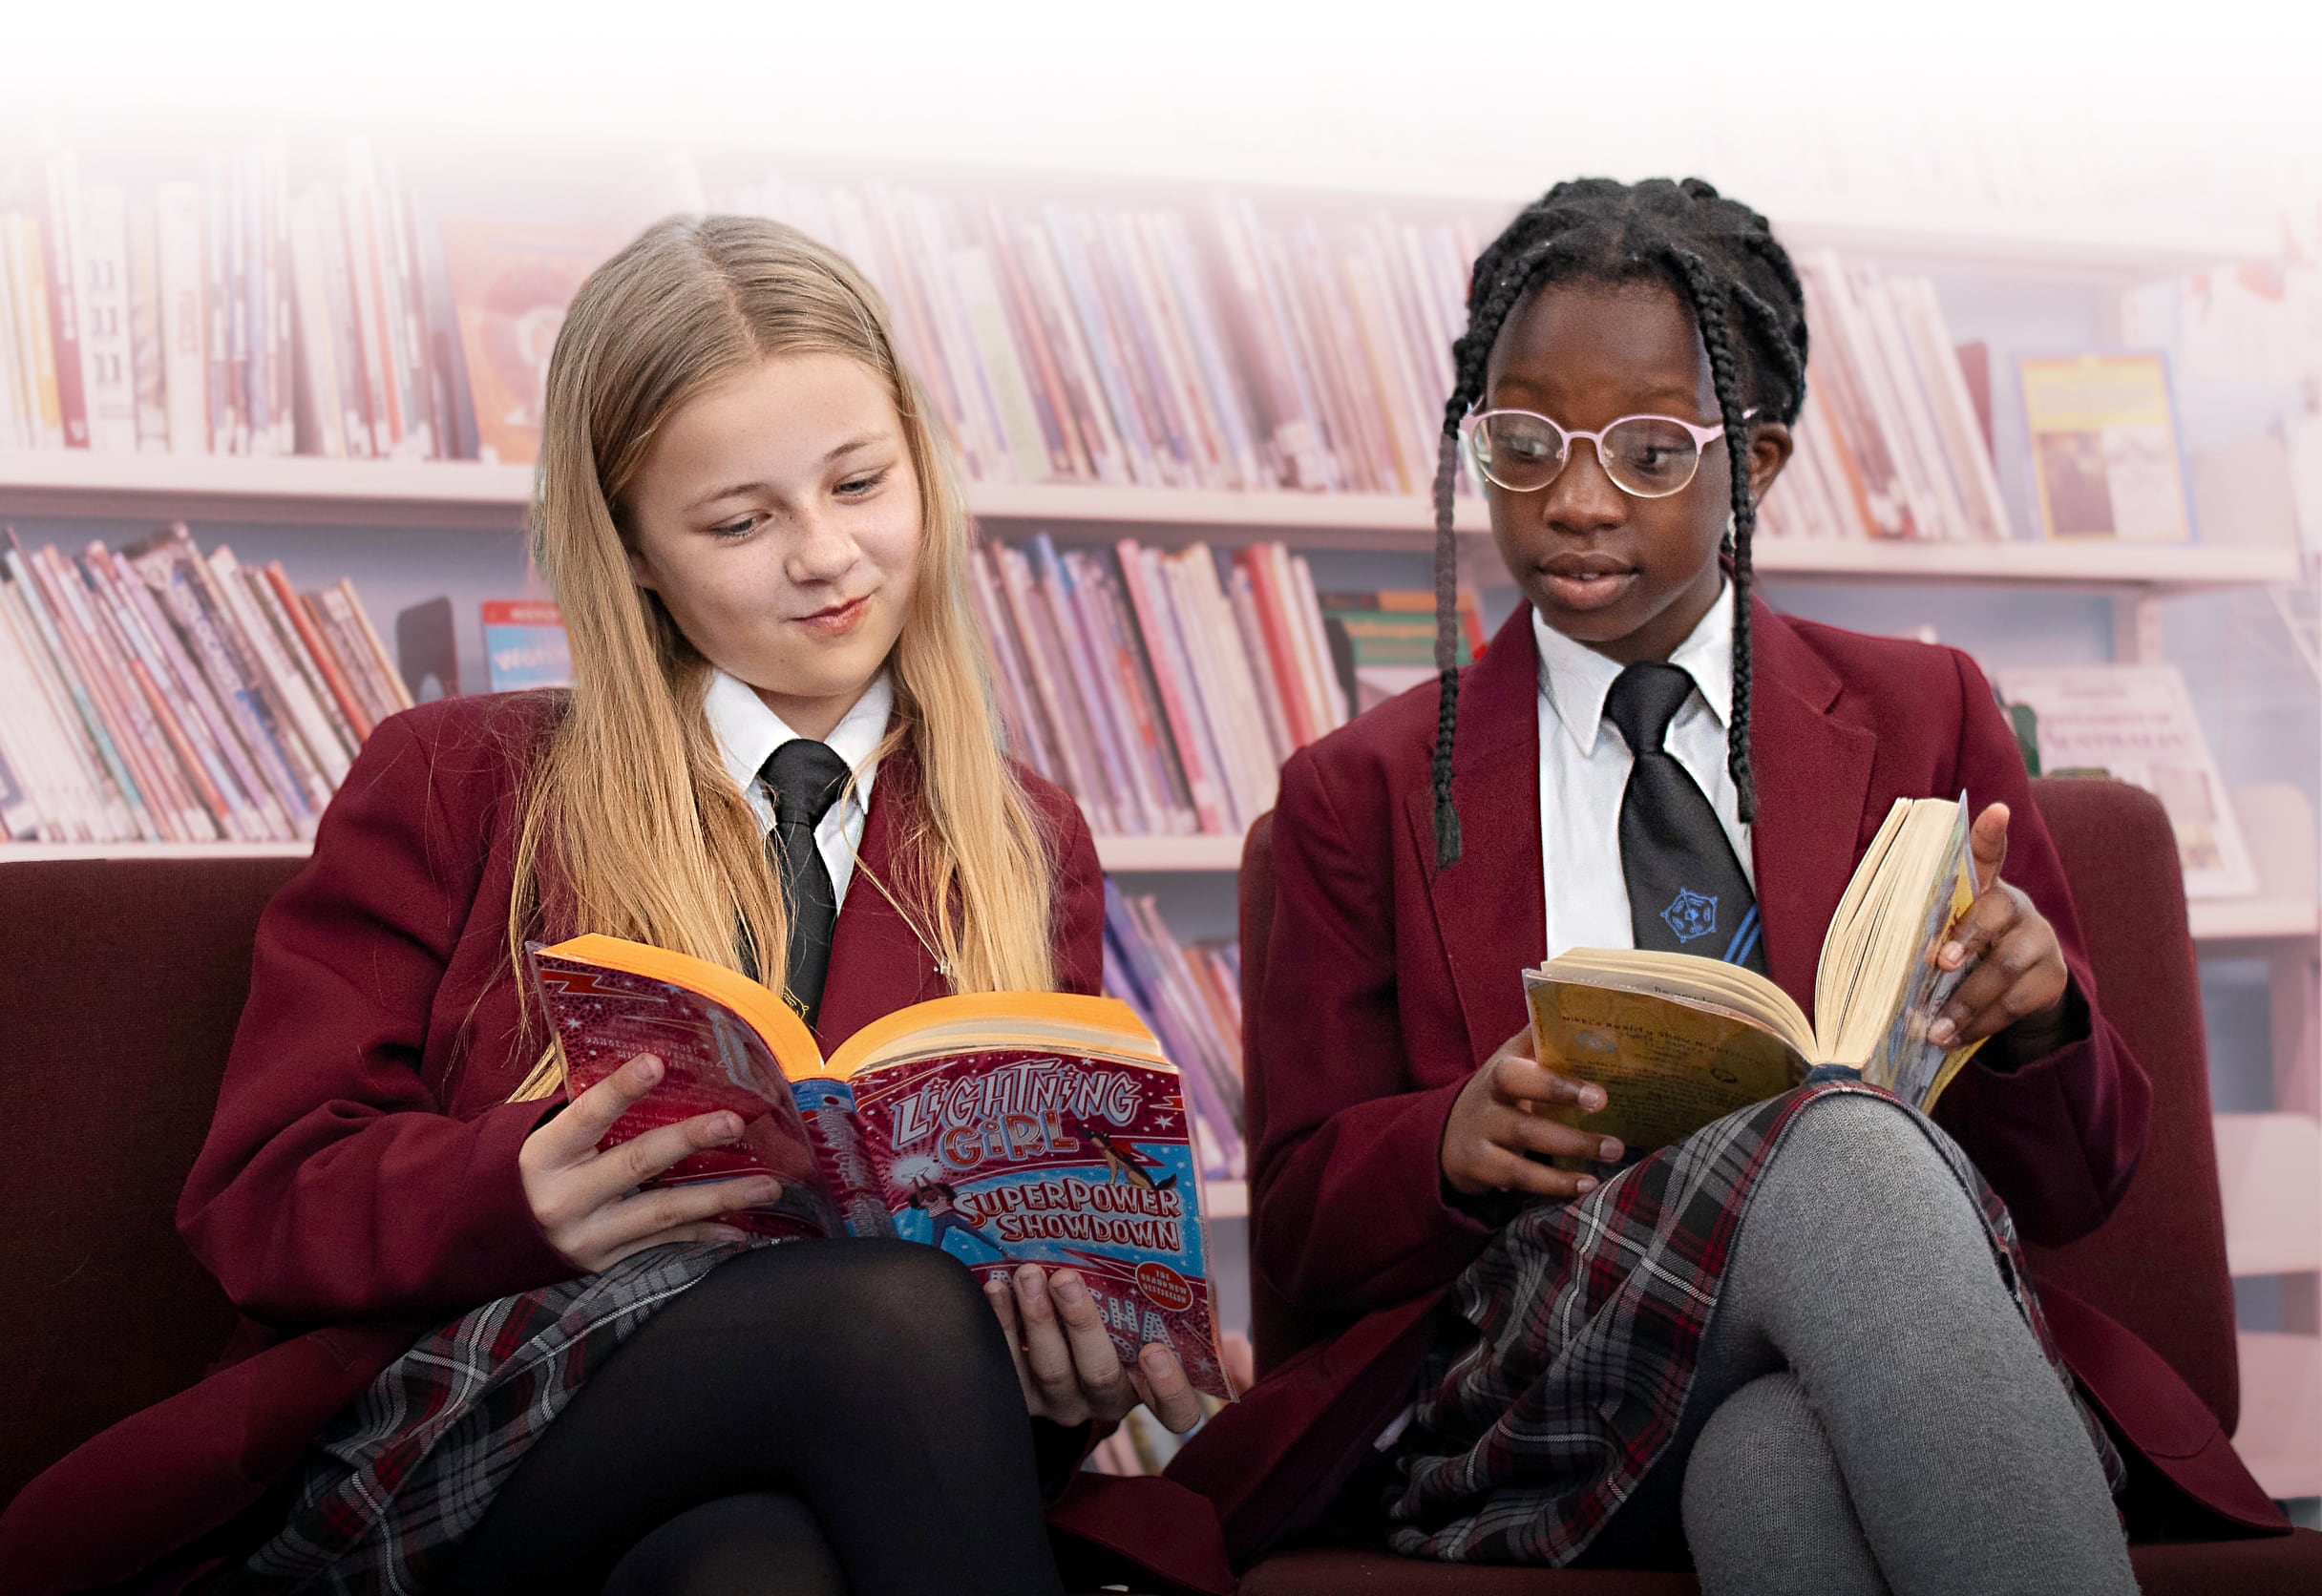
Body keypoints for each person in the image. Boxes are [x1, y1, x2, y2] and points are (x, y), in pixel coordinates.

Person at [0, 216, 1203, 1596]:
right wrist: (513, 1193)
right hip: (459, 1423)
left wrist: (1061, 1368)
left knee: (759, 1569)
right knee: (886, 1315)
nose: (827, 555)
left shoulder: (1021, 834)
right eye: (741, 522)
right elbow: (261, 1198)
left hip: (785, 1456)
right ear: (629, 547)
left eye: (861, 483)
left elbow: (1025, 1253)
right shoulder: (459, 778)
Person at [1169, 178, 2283, 1593]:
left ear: (1753, 463)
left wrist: (2041, 1016)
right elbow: (1299, 1232)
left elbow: (2077, 1184)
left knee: (1775, 1469)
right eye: (1525, 444)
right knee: (1836, 1149)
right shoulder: (1365, 788)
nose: (1575, 501)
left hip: (1848, 1361)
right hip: (1532, 1386)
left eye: (1647, 453)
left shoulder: (1924, 713)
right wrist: (1450, 1140)